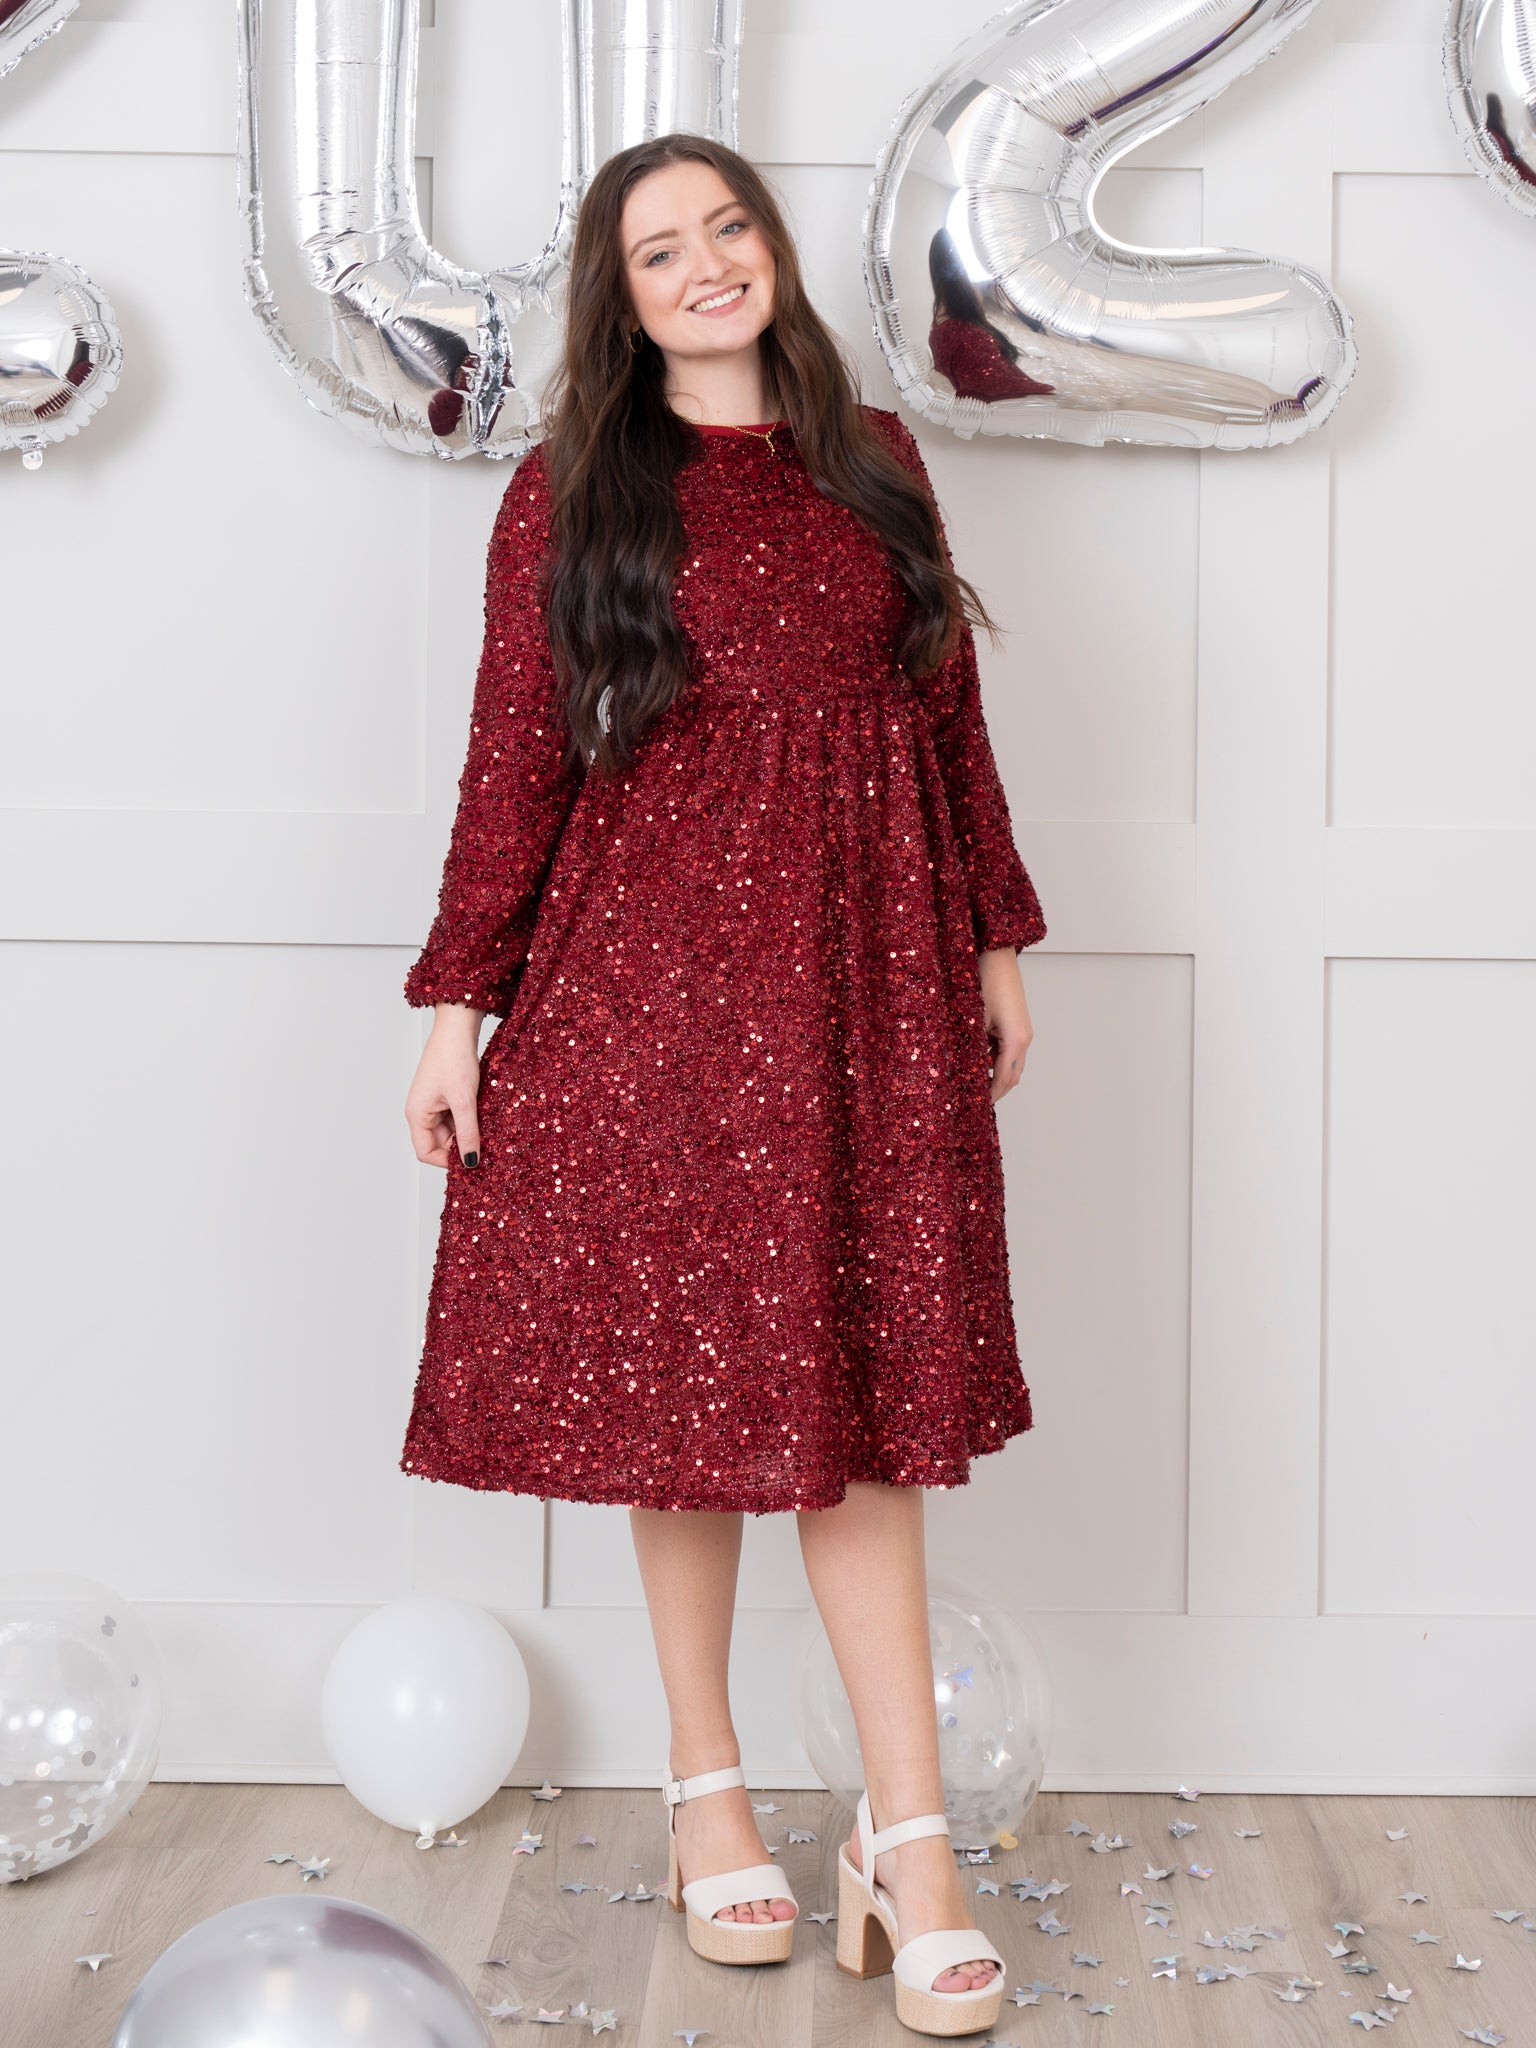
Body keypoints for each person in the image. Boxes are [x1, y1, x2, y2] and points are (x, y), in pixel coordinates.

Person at [400, 132, 1046, 2038]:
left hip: (866, 989)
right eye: (658, 250)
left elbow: (947, 713)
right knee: (675, 1402)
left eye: (727, 228)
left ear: (770, 247)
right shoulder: (570, 491)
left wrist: (996, 936)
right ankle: (708, 1794)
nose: (704, 266)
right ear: (621, 297)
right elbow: (514, 759)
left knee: (864, 1414)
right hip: (653, 996)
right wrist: (458, 1004)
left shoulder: (878, 461)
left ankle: (910, 1846)